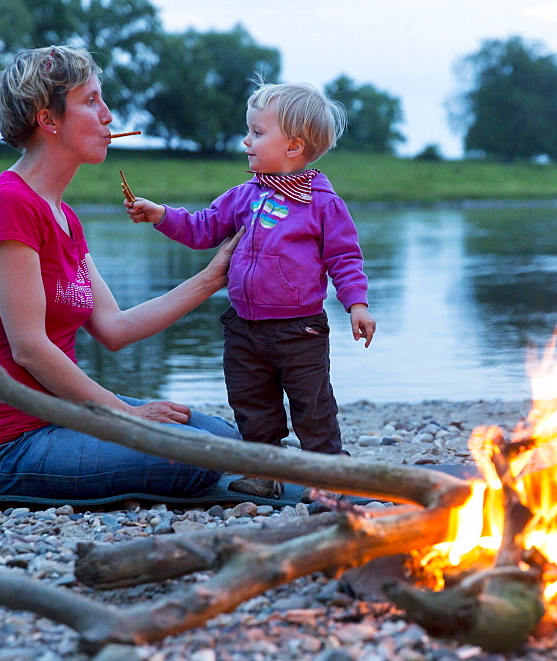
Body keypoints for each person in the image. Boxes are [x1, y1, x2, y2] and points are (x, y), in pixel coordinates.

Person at [0, 45, 241, 499]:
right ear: (49, 119)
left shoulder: (64, 216)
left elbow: (115, 328)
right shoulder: (9, 204)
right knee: (201, 455)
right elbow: (29, 349)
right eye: (91, 101)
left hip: (60, 417)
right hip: (1, 447)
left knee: (223, 438)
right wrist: (124, 415)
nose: (108, 115)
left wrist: (211, 277)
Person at [126, 81, 376, 498]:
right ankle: (264, 469)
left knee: (311, 404)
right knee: (250, 400)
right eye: (250, 131)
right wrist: (161, 215)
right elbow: (202, 227)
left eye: (258, 133)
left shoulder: (323, 204)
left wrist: (358, 305)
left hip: (301, 330)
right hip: (243, 326)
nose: (246, 140)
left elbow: (345, 259)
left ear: (294, 147)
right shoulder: (244, 196)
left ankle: (328, 474)